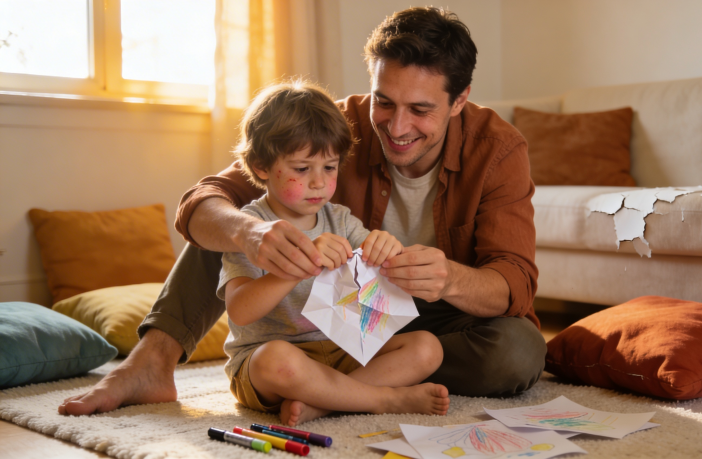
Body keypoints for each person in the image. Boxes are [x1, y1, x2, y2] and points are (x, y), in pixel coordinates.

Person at [59, 6, 546, 417]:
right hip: (328, 324)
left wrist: (449, 279)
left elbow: (515, 281)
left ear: (459, 100)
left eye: (420, 110)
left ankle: (328, 393)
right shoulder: (330, 127)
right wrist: (252, 235)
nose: (396, 126)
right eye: (384, 101)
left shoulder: (498, 149)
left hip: (430, 322)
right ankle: (151, 361)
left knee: (519, 352)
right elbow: (202, 201)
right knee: (237, 218)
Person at [217, 80, 449, 426]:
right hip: (272, 361)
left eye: (329, 167)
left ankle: (324, 403)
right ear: (262, 166)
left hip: (341, 351)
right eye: (301, 168)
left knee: (428, 347)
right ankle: (380, 399)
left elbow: (381, 260)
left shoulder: (338, 218)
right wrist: (299, 264)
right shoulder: (253, 226)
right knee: (277, 360)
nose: (318, 182)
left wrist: (388, 247)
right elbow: (240, 310)